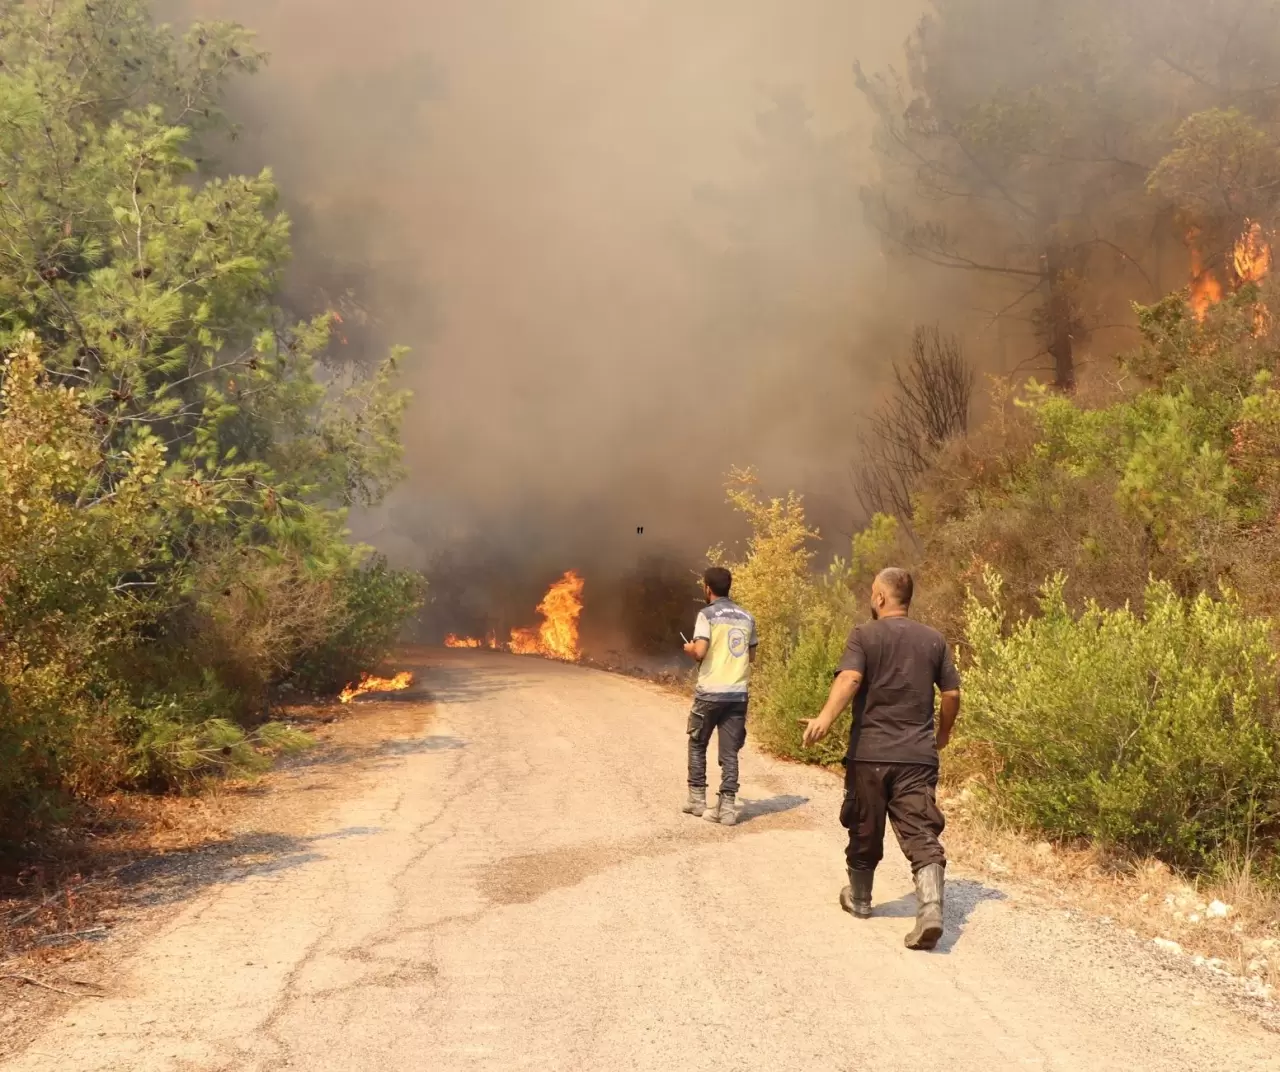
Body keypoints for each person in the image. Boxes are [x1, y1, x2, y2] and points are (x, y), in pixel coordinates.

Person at [801, 567, 961, 951]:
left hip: (869, 754)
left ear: (880, 598)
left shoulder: (864, 635)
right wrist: (942, 734)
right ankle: (932, 910)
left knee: (863, 827)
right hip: (917, 756)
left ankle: (859, 900)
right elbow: (952, 695)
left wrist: (825, 717)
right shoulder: (934, 640)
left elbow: (851, 679)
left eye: (872, 593)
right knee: (921, 830)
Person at [681, 566, 758, 826]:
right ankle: (726, 809)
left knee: (697, 742)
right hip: (737, 694)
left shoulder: (707, 615)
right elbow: (752, 656)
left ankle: (697, 800)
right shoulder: (747, 616)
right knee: (730, 752)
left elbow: (700, 651)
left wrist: (689, 648)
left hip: (710, 692)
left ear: (707, 588)